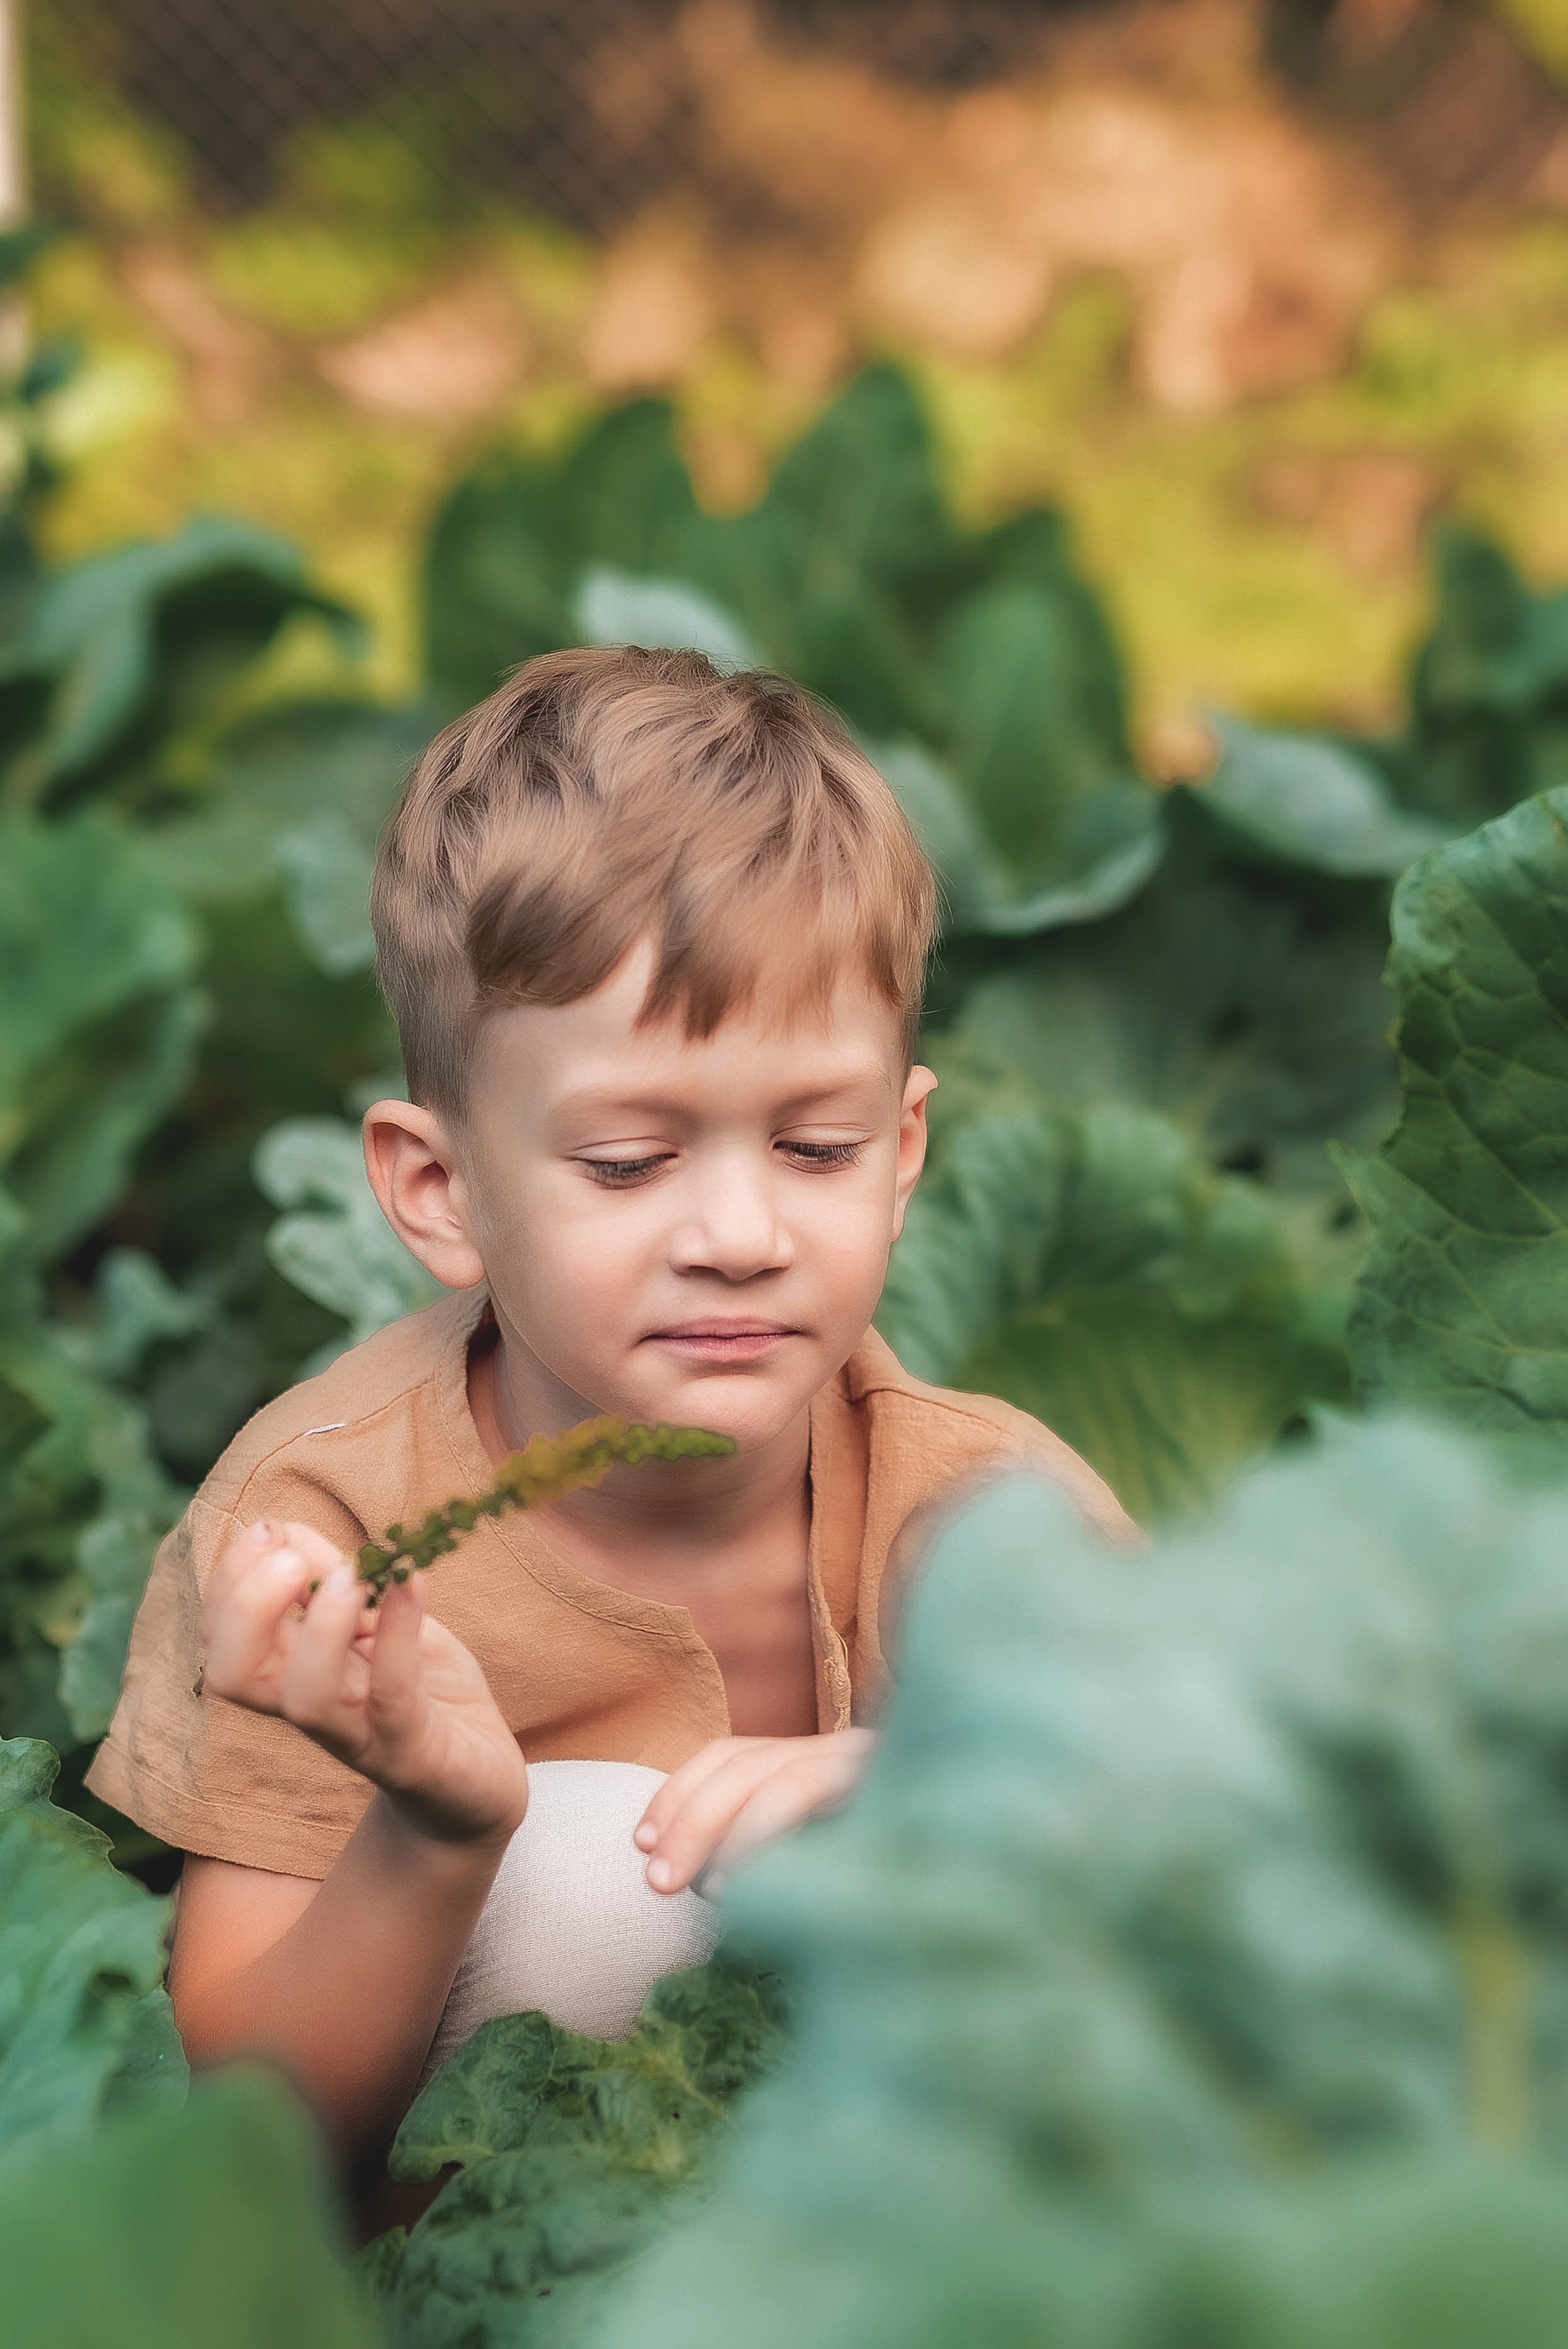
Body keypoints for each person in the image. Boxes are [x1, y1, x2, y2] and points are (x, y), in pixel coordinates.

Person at [88, 647, 1133, 2162]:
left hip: (926, 2227)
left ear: (905, 1150)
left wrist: (937, 1803)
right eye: (629, 1164)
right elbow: (245, 2135)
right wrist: (437, 1831)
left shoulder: (991, 1515)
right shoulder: (328, 1534)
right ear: (440, 1192)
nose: (737, 1232)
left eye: (815, 1147)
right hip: (494, 2246)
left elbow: (1226, 1920)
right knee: (586, 1886)